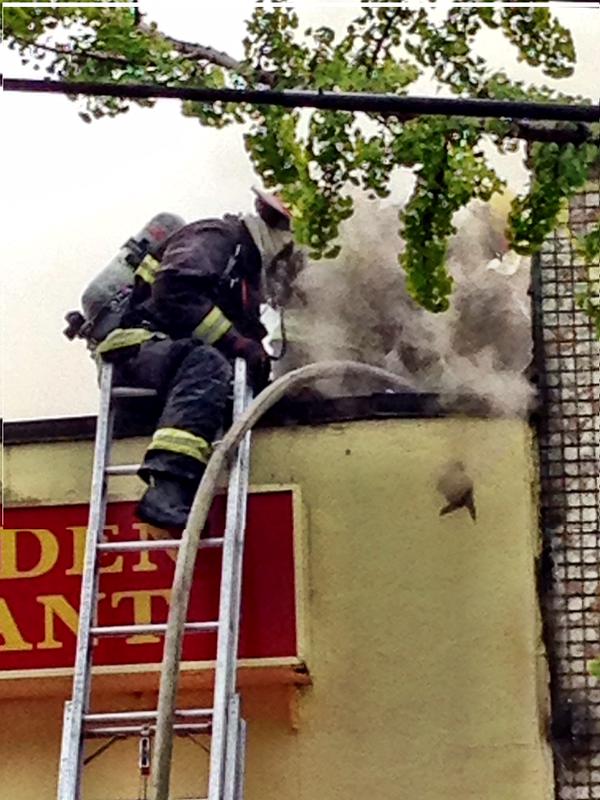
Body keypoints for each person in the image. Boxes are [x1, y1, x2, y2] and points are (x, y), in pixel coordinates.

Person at [94, 187, 297, 531]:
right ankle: (166, 490)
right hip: (138, 348)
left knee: (223, 370)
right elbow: (175, 291)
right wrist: (237, 343)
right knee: (206, 363)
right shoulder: (217, 238)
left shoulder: (244, 271)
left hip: (170, 365)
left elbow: (244, 341)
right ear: (276, 227)